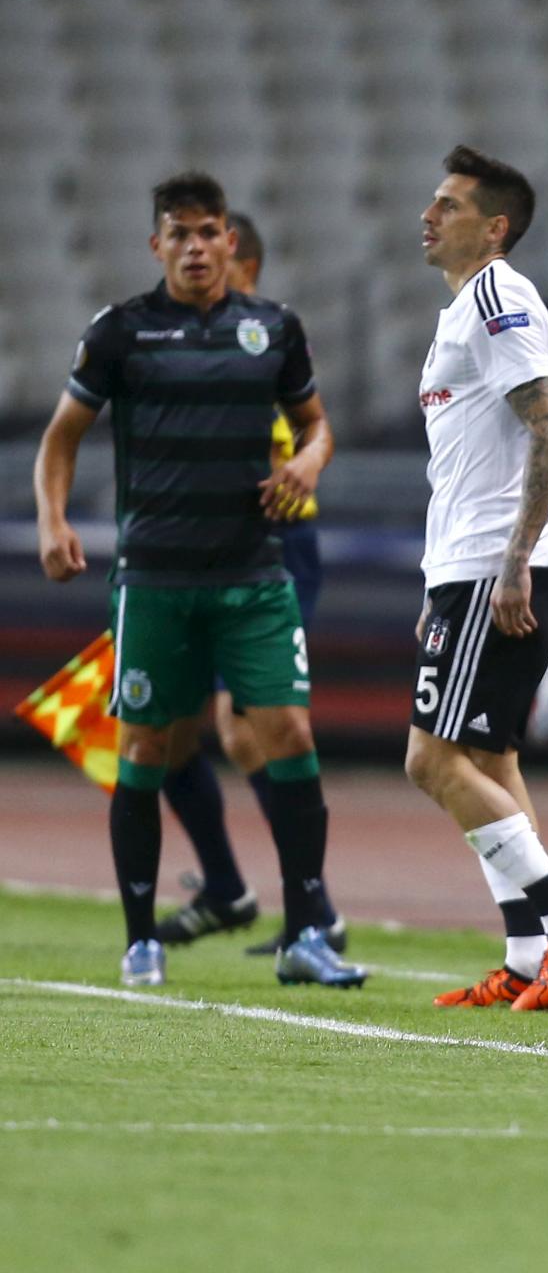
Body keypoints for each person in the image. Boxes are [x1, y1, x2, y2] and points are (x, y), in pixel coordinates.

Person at [32, 171, 361, 988]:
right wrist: (52, 519)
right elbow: (62, 436)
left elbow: (317, 426)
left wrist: (310, 464)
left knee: (290, 736)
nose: (195, 247)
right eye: (178, 234)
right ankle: (140, 938)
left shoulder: (274, 328)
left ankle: (306, 931)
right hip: (155, 580)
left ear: (229, 241)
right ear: (157, 246)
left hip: (254, 577)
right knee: (147, 747)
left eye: (208, 232)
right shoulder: (120, 331)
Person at [406, 145, 548, 1011]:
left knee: (430, 761)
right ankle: (531, 956)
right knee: (489, 758)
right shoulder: (464, 308)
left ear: (495, 228)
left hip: (496, 567)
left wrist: (514, 560)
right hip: (472, 566)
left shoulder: (498, 298)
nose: (429, 216)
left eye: (449, 205)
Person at [153, 210, 346, 954]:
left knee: (247, 724)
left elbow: (298, 439)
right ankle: (230, 888)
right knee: (168, 730)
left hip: (271, 548)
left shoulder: (265, 340)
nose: (195, 265)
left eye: (211, 250)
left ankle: (313, 908)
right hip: (195, 551)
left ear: (246, 263)